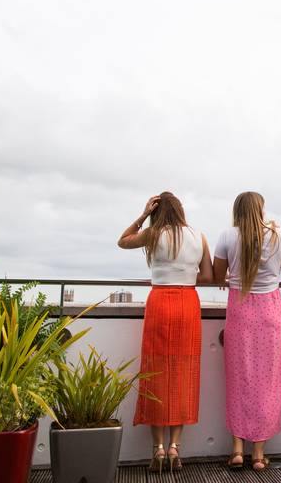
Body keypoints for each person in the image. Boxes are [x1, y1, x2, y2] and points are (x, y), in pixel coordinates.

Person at [117, 192, 213, 473]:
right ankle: (175, 448)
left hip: (159, 302)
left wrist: (143, 215)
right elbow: (207, 277)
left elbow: (122, 241)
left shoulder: (152, 233)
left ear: (157, 212)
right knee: (184, 372)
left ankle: (157, 449)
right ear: (181, 210)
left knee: (156, 371)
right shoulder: (199, 236)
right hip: (187, 305)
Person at [213, 192, 281, 472]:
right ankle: (259, 455)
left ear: (236, 210)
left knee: (239, 379)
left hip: (240, 312)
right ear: (261, 210)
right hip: (271, 313)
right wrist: (277, 240)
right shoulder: (278, 234)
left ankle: (237, 450)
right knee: (268, 384)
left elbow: (217, 276)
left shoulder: (227, 236)